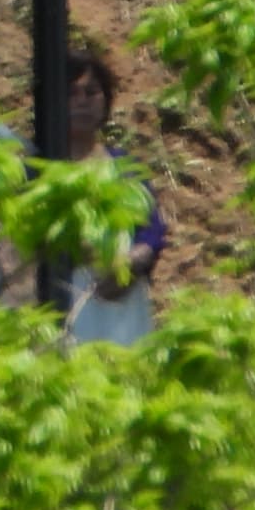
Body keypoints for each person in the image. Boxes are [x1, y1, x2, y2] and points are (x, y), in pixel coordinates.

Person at [61, 48, 164, 347]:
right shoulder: (39, 166)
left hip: (122, 296)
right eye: (71, 93)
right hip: (67, 294)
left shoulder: (125, 166)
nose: (81, 101)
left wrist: (134, 261)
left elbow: (153, 227)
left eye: (91, 92)